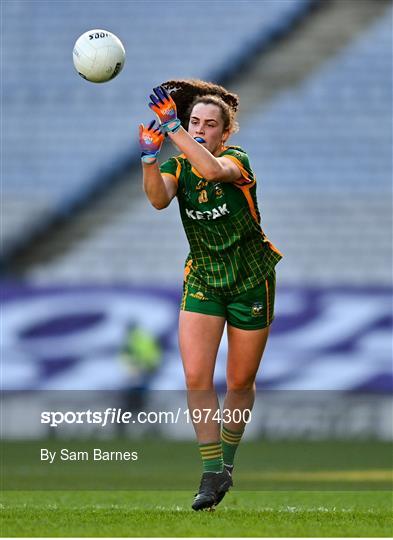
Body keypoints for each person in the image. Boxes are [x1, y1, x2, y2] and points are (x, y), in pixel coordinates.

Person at [138, 79, 282, 511]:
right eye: (193, 121)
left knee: (240, 382)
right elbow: (159, 200)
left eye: (210, 124)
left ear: (225, 133)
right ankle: (211, 471)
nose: (200, 129)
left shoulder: (236, 160)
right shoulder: (178, 165)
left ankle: (229, 464)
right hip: (203, 277)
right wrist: (149, 157)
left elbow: (214, 171)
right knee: (197, 377)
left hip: (249, 277)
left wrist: (175, 130)